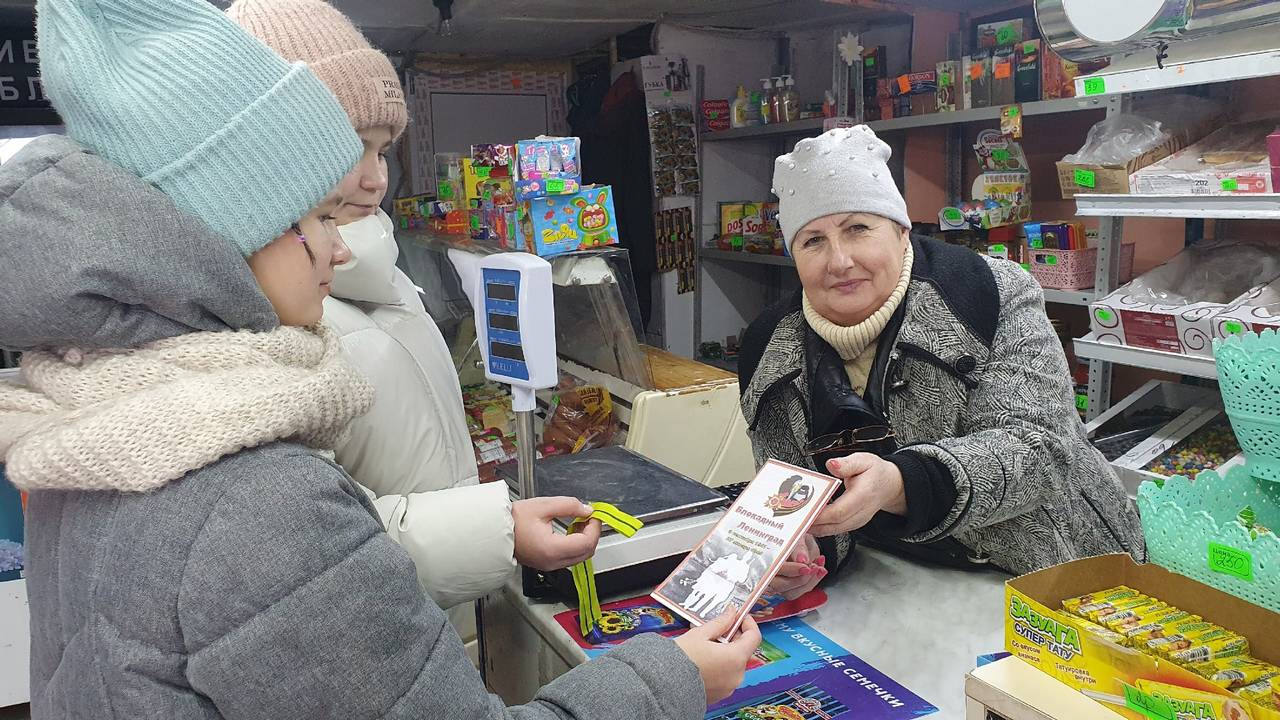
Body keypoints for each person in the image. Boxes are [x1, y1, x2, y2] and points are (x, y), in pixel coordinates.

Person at [0, 0, 759, 717]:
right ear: (228, 231)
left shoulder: (95, 428)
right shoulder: (253, 497)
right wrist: (670, 677)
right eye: (316, 214)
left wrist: (492, 525)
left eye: (380, 152)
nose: (340, 242)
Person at [225, 0, 534, 617]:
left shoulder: (384, 274)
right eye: (351, 149)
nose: (375, 180)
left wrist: (491, 526)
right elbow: (312, 550)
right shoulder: (263, 319)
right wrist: (499, 531)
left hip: (437, 608)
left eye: (383, 151)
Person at [745, 126, 1144, 601]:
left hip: (1054, 569)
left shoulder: (985, 292)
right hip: (899, 585)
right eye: (813, 240)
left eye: (858, 229)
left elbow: (1040, 450)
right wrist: (805, 550)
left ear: (901, 231)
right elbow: (793, 491)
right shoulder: (769, 347)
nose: (840, 261)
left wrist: (903, 483)